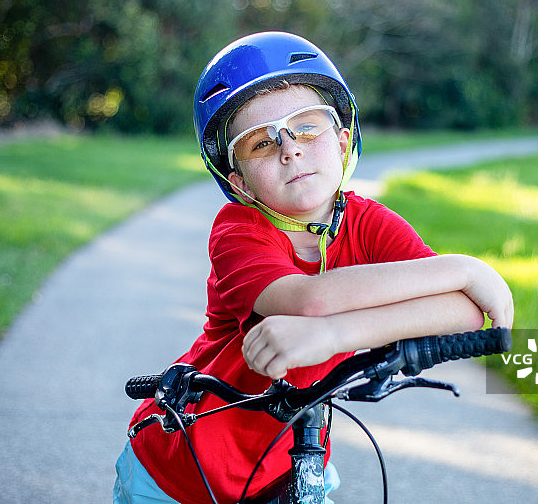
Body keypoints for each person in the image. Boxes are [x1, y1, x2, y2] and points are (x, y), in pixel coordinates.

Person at [114, 31, 513, 504]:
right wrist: (465, 270)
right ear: (240, 183)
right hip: (181, 471)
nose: (290, 149)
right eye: (261, 143)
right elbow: (308, 301)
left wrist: (335, 335)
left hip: (296, 460)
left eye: (306, 127)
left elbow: (462, 312)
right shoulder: (237, 230)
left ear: (342, 142)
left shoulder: (370, 224)